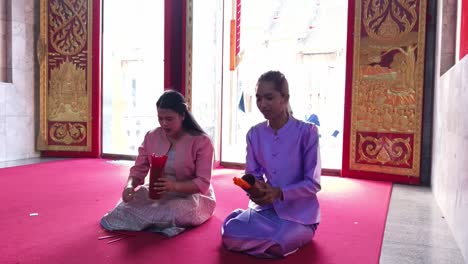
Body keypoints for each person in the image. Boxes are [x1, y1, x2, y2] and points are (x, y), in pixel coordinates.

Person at [221, 71, 321, 258]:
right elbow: (253, 174)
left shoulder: (307, 132)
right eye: (258, 98)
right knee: (230, 233)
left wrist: (279, 192)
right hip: (266, 208)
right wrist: (254, 189)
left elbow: (313, 183)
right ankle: (244, 224)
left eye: (269, 97)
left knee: (278, 241)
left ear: (285, 98)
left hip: (301, 215)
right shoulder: (254, 134)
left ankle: (272, 239)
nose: (262, 104)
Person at [101, 90, 216, 237]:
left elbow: (202, 183)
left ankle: (157, 223)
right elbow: (139, 168)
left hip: (191, 196)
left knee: (172, 212)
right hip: (158, 192)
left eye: (169, 119)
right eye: (160, 118)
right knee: (123, 208)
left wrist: (173, 186)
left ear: (182, 115)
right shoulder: (152, 136)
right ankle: (158, 225)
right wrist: (129, 185)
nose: (164, 124)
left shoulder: (202, 141)